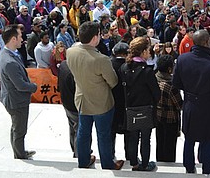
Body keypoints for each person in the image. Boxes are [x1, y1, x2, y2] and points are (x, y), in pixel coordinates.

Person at [67, 21, 124, 170]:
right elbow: (113, 81)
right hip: (101, 103)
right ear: (94, 38)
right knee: (103, 135)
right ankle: (107, 164)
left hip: (81, 100)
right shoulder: (101, 59)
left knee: (83, 132)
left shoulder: (70, 52)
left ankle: (83, 161)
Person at [172, 29, 210, 174]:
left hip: (190, 104)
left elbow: (176, 84)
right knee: (209, 139)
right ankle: (207, 169)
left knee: (189, 139)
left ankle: (189, 168)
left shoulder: (182, 59)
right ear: (206, 42)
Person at [119, 37, 161, 171]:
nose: (150, 52)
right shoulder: (147, 71)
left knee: (133, 137)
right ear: (143, 52)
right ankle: (144, 164)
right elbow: (156, 93)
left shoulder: (124, 67)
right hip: (146, 108)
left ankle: (134, 163)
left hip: (130, 108)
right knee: (145, 138)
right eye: (148, 50)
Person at [0, 24, 38, 159]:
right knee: (20, 130)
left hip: (12, 98)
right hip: (16, 101)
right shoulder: (9, 62)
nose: (22, 39)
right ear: (13, 39)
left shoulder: (5, 53)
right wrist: (33, 87)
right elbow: (20, 85)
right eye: (20, 36)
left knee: (16, 127)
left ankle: (18, 150)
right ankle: (20, 155)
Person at [155, 54, 183, 163]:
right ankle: (169, 165)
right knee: (170, 145)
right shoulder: (171, 85)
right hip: (171, 119)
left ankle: (160, 161)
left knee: (160, 142)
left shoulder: (154, 79)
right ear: (169, 69)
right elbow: (179, 104)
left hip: (158, 116)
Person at [57, 57, 79, 157]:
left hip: (66, 102)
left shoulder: (63, 64)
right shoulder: (75, 70)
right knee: (79, 130)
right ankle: (79, 153)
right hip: (74, 104)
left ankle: (74, 148)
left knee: (72, 127)